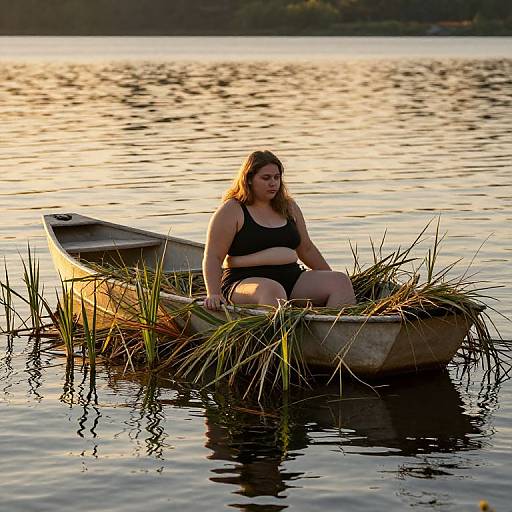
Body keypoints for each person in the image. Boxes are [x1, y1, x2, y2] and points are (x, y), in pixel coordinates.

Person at [202, 150, 356, 311]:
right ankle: (281, 335)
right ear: (248, 179)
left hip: (291, 277)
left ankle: (331, 334)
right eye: (266, 178)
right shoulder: (232, 210)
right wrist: (213, 293)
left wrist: (326, 277)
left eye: (277, 177)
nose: (273, 183)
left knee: (340, 282)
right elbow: (213, 256)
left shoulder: (289, 207)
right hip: (244, 282)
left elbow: (307, 249)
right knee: (273, 291)